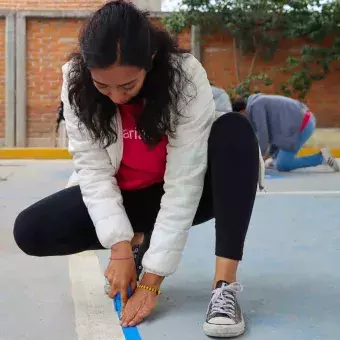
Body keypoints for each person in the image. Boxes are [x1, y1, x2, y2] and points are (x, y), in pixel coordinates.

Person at [13, 1, 264, 338]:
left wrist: (152, 280)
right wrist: (118, 250)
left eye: (127, 85)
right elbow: (93, 171)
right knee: (30, 230)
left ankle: (224, 286)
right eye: (103, 86)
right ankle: (135, 239)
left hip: (193, 191)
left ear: (150, 62)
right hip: (128, 196)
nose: (116, 97)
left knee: (235, 130)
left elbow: (184, 183)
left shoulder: (185, 77)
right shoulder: (75, 82)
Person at [233, 94, 340, 172]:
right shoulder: (258, 103)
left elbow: (263, 135)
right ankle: (275, 159)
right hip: (302, 122)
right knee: (276, 160)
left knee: (283, 165)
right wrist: (269, 155)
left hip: (302, 125)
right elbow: (273, 134)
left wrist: (257, 159)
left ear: (242, 111)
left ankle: (321, 158)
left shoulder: (256, 107)